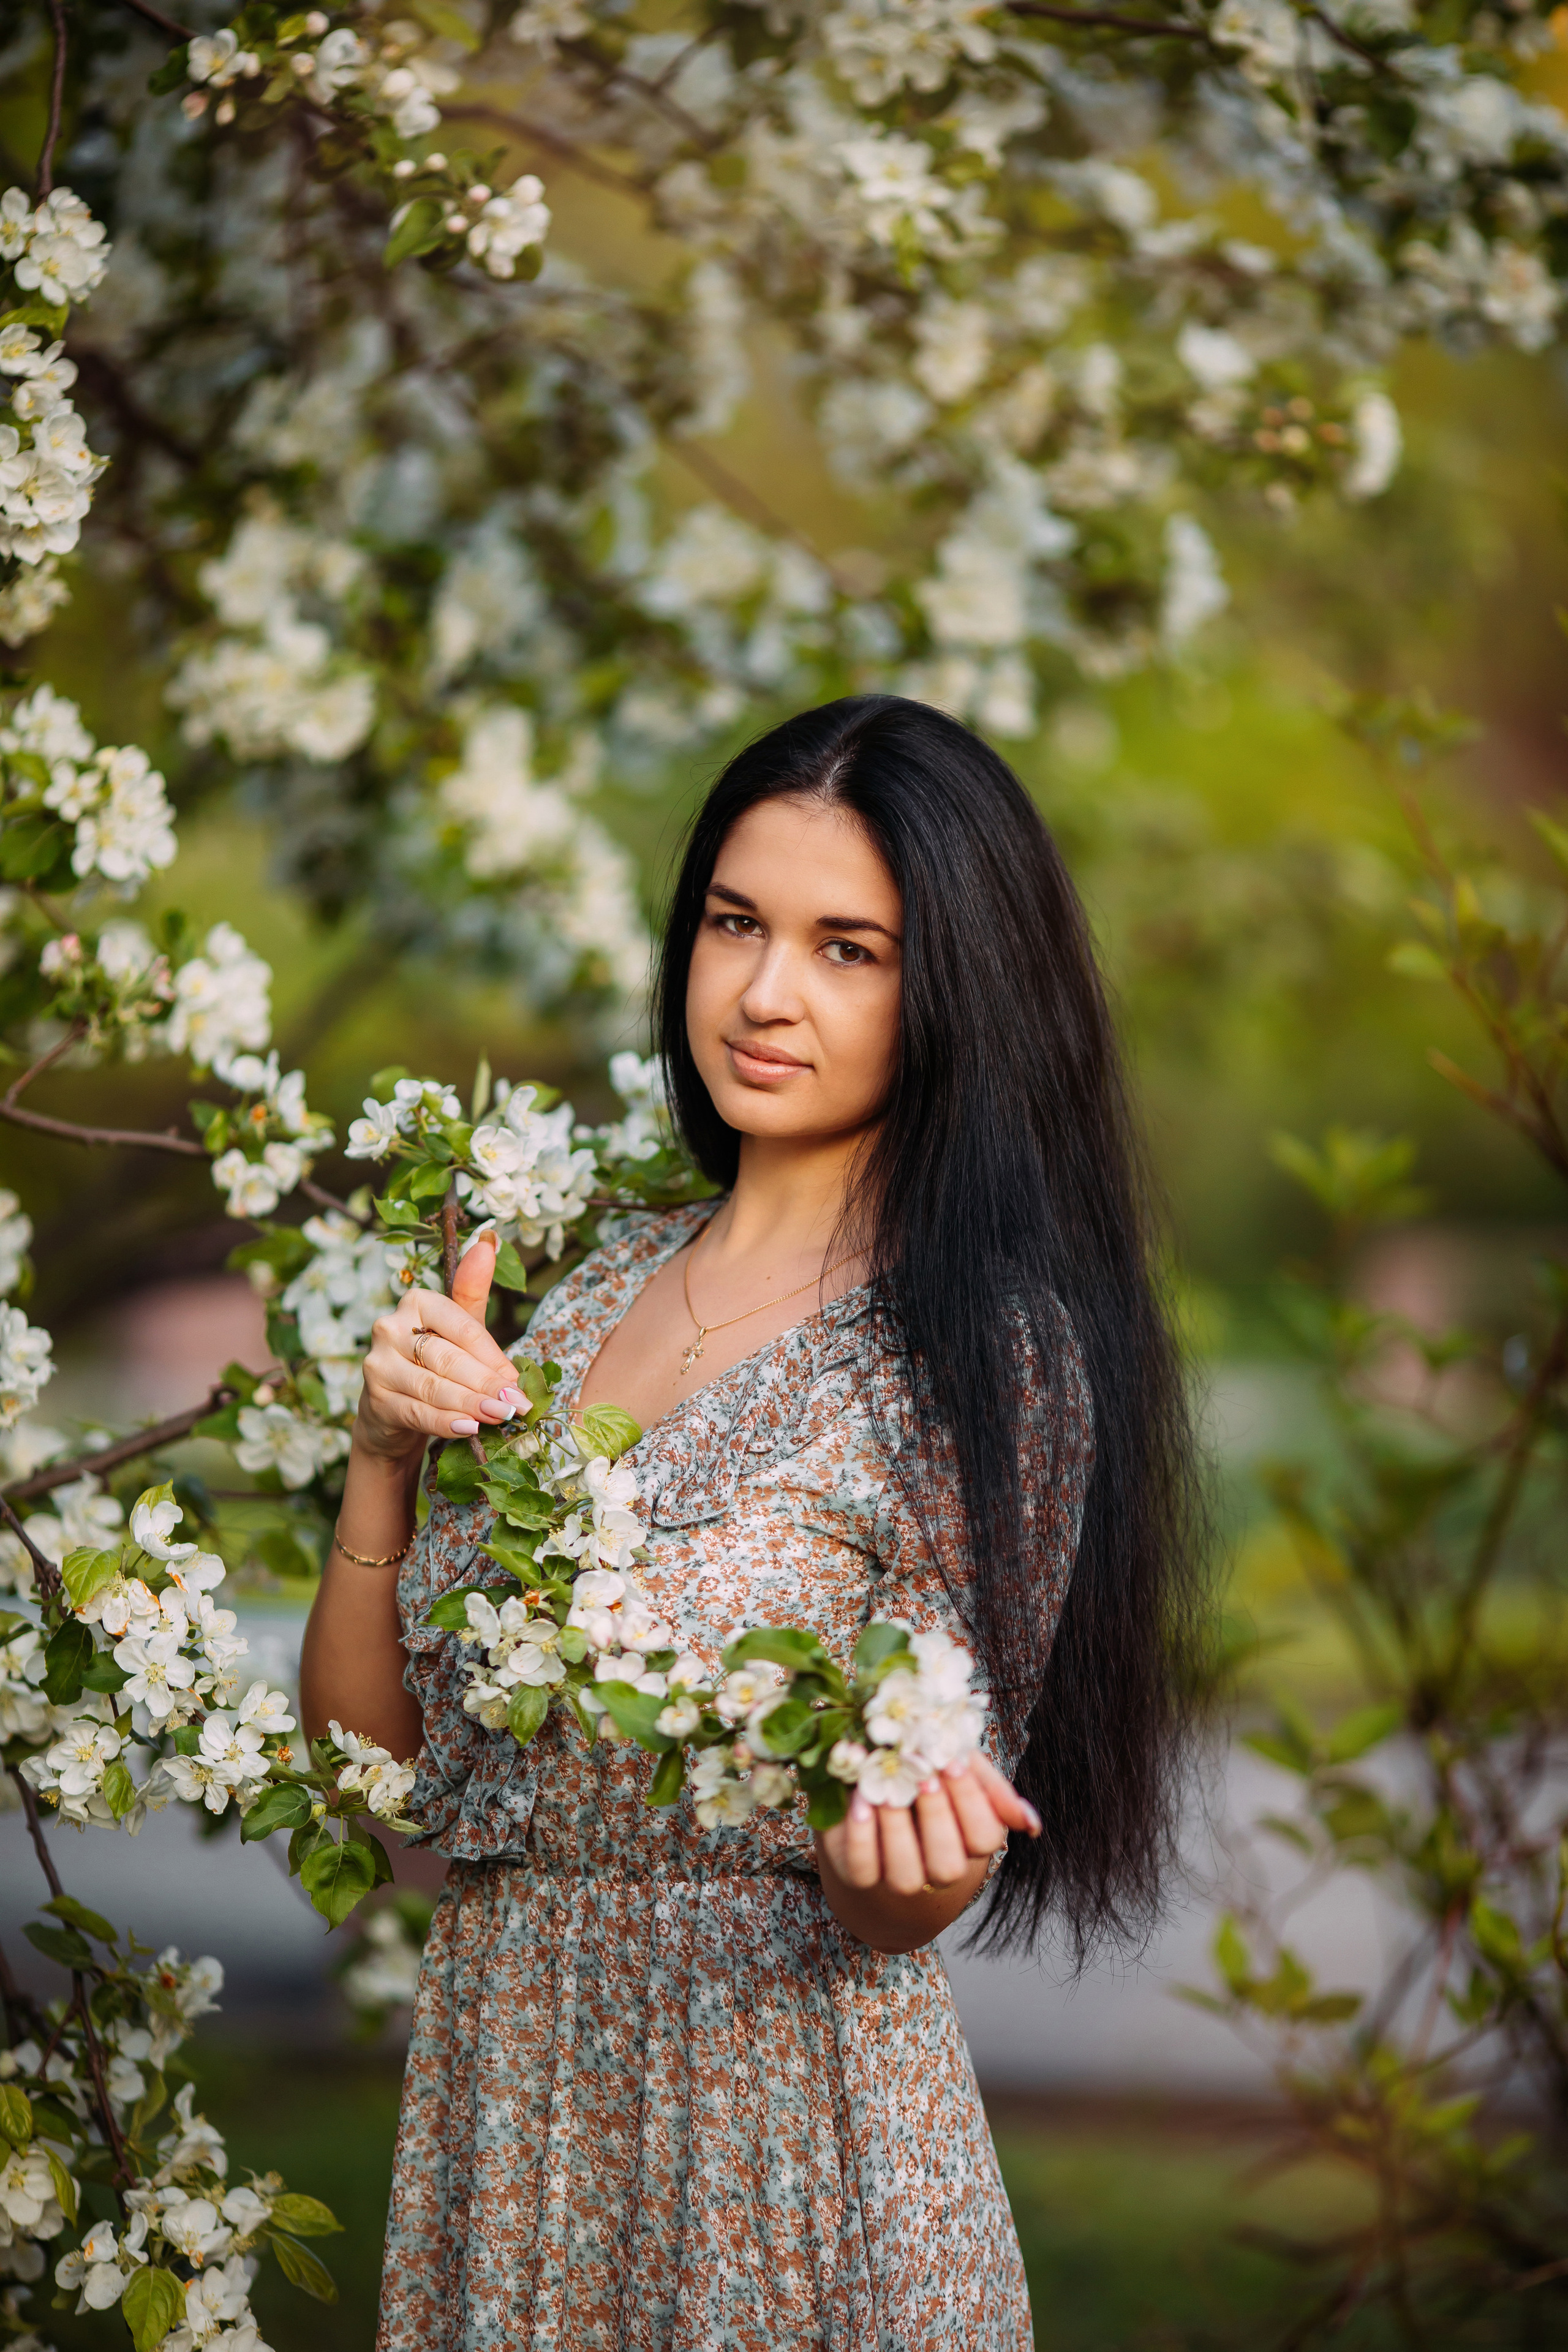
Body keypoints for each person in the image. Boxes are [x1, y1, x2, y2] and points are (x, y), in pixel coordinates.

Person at [300, 693, 1207, 2351]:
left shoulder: (976, 1351)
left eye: (849, 948)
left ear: (958, 988)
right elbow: (380, 1785)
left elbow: (905, 1879)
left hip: (780, 2142)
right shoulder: (582, 1293)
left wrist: (900, 1870)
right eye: (736, 924)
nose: (768, 992)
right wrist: (379, 1459)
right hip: (507, 2107)